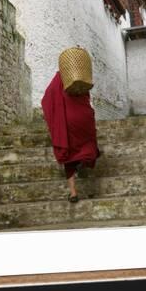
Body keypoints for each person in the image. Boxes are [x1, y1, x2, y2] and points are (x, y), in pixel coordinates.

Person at [41, 71, 100, 203]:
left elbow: (47, 99)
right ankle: (84, 161)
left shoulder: (59, 77)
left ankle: (73, 193)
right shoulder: (81, 76)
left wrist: (52, 118)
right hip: (84, 116)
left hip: (68, 120)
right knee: (88, 143)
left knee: (69, 156)